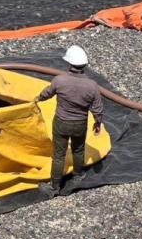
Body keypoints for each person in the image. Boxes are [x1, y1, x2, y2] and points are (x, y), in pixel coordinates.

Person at [35, 46, 104, 197]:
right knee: (78, 150)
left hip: (61, 122)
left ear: (69, 64)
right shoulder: (92, 86)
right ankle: (78, 175)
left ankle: (54, 187)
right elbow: (97, 108)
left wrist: (38, 98)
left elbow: (47, 93)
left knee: (58, 155)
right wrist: (98, 122)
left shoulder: (60, 80)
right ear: (84, 65)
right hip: (80, 123)